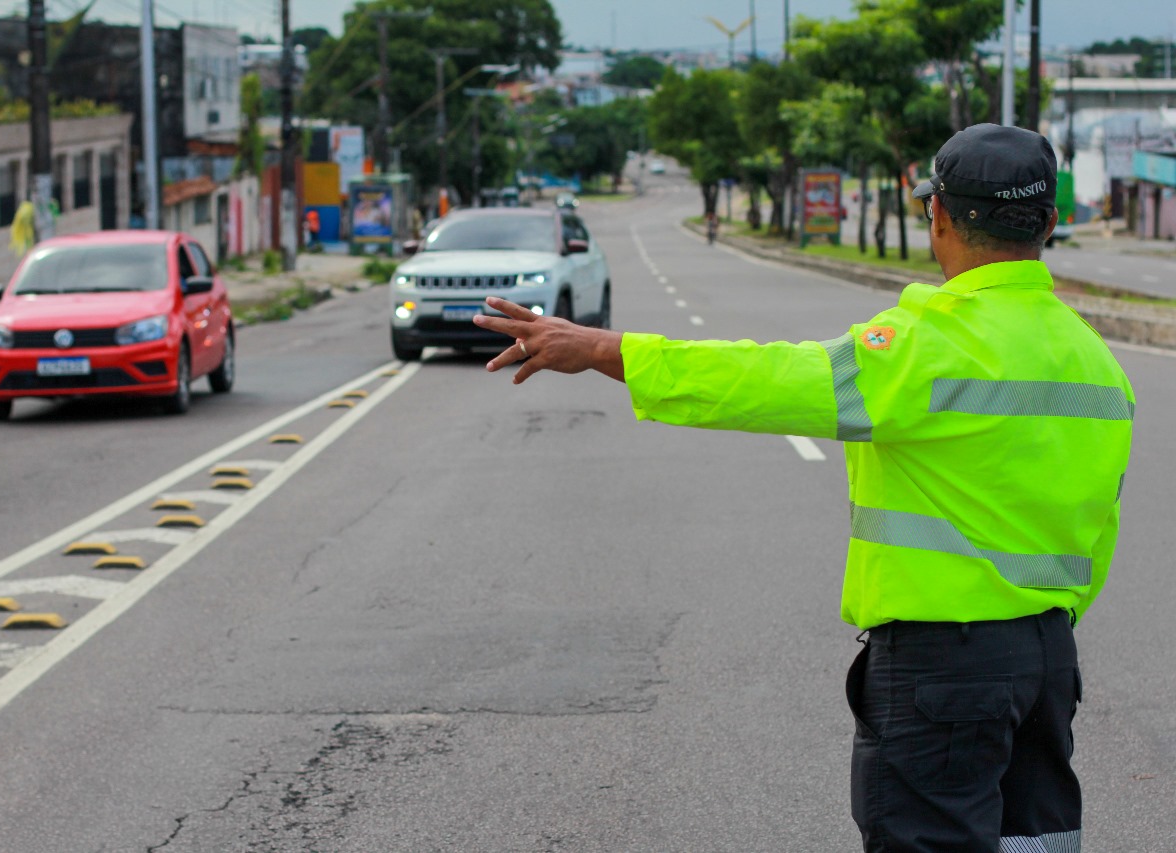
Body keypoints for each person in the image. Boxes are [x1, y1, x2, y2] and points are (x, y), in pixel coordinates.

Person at [474, 124, 1133, 852]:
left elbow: (764, 380)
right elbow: (1099, 523)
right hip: (1046, 664)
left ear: (938, 218)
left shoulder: (925, 346)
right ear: (1048, 222)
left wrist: (600, 347)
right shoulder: (1097, 361)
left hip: (944, 669)